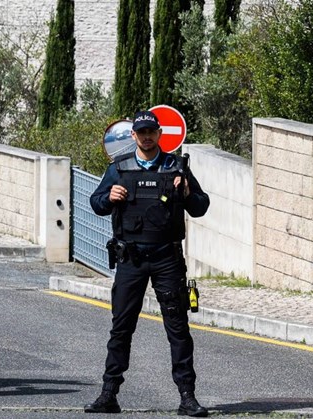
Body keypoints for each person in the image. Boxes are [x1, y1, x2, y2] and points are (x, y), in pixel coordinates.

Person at [86, 110, 210, 417]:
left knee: (178, 329)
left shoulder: (176, 167)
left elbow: (201, 207)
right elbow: (96, 203)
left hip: (167, 258)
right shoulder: (120, 168)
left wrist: (188, 191)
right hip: (132, 258)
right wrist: (109, 196)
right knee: (121, 328)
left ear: (158, 133)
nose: (146, 137)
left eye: (151, 131)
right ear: (134, 136)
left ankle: (187, 397)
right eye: (141, 132)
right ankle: (108, 395)